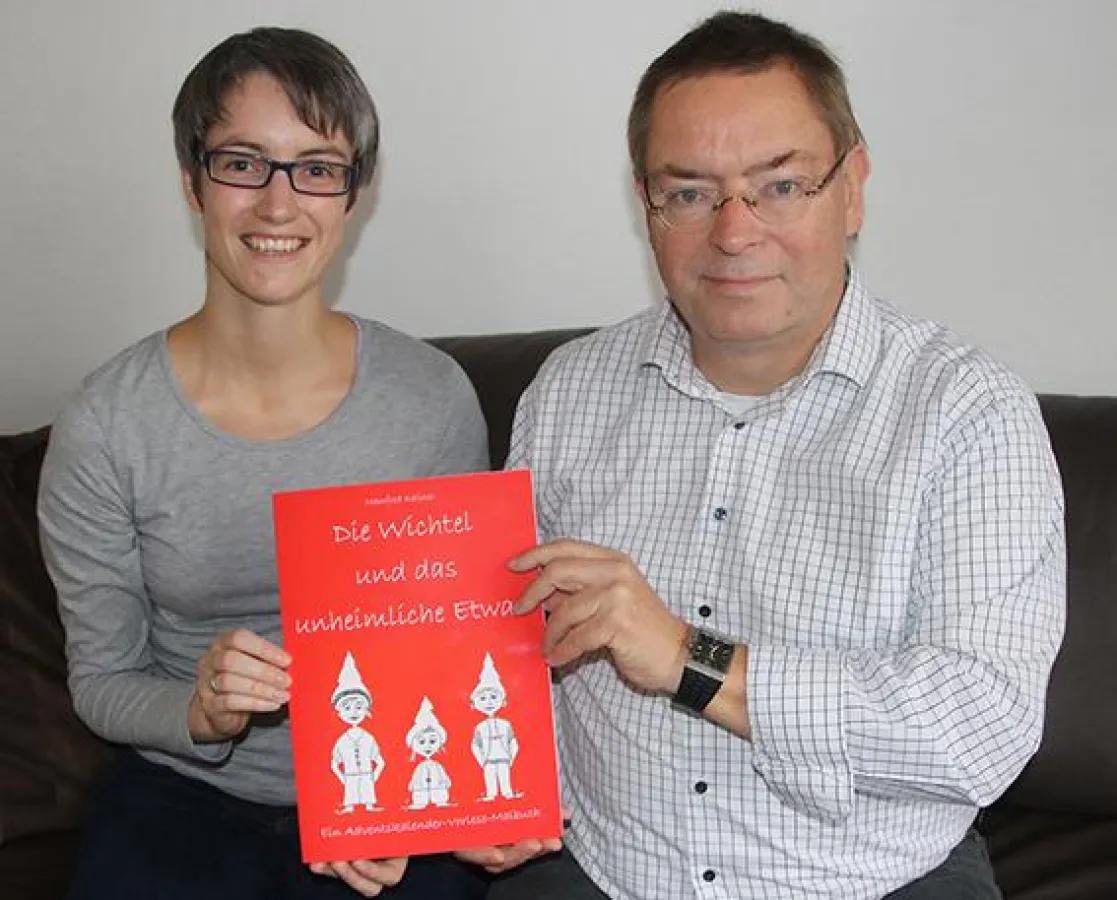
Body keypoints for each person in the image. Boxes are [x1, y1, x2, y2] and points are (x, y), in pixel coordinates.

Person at [488, 11, 1066, 900]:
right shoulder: (565, 392)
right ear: (645, 204)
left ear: (853, 186)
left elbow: (977, 730)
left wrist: (690, 657)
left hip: (872, 880)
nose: (732, 231)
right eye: (688, 192)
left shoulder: (968, 413)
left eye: (781, 186)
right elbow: (509, 649)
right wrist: (476, 800)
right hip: (602, 872)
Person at [38, 27, 491, 900]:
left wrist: (411, 808)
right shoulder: (105, 423)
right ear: (192, 181)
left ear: (352, 195)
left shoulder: (431, 399)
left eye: (317, 167)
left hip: (389, 783)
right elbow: (102, 680)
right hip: (188, 791)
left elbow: (460, 646)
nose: (279, 204)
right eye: (243, 162)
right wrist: (197, 711)